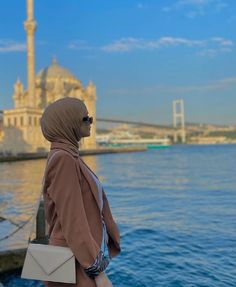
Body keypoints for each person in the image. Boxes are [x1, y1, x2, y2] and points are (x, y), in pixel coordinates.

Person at [40, 97, 121, 287]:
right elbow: (73, 219)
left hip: (74, 256)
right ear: (67, 122)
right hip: (71, 260)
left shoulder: (70, 155)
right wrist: (97, 271)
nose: (91, 122)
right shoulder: (64, 159)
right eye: (86, 118)